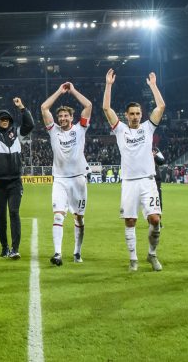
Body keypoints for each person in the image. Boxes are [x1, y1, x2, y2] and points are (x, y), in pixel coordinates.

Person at [104, 70, 166, 272]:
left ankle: (152, 254)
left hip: (148, 181)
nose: (135, 117)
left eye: (138, 113)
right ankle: (133, 260)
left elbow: (161, 106)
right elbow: (106, 108)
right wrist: (109, 85)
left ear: (142, 115)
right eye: (131, 113)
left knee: (155, 219)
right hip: (129, 182)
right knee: (130, 221)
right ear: (126, 115)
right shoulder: (120, 129)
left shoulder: (148, 128)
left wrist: (153, 86)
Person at [40, 81, 93, 267]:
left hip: (78, 180)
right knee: (58, 215)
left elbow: (88, 106)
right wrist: (59, 91)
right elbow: (44, 107)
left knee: (79, 217)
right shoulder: (53, 131)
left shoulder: (80, 129)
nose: (62, 119)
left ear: (72, 117)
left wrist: (73, 91)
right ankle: (57, 253)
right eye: (60, 116)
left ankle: (77, 252)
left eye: (65, 116)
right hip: (60, 180)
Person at [0, 96, 33, 259]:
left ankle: (15, 248)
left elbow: (30, 124)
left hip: (15, 182)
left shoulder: (17, 134)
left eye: (6, 119)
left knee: (14, 212)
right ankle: (4, 247)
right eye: (1, 119)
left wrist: (22, 108)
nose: (4, 121)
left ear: (10, 120)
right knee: (0, 215)